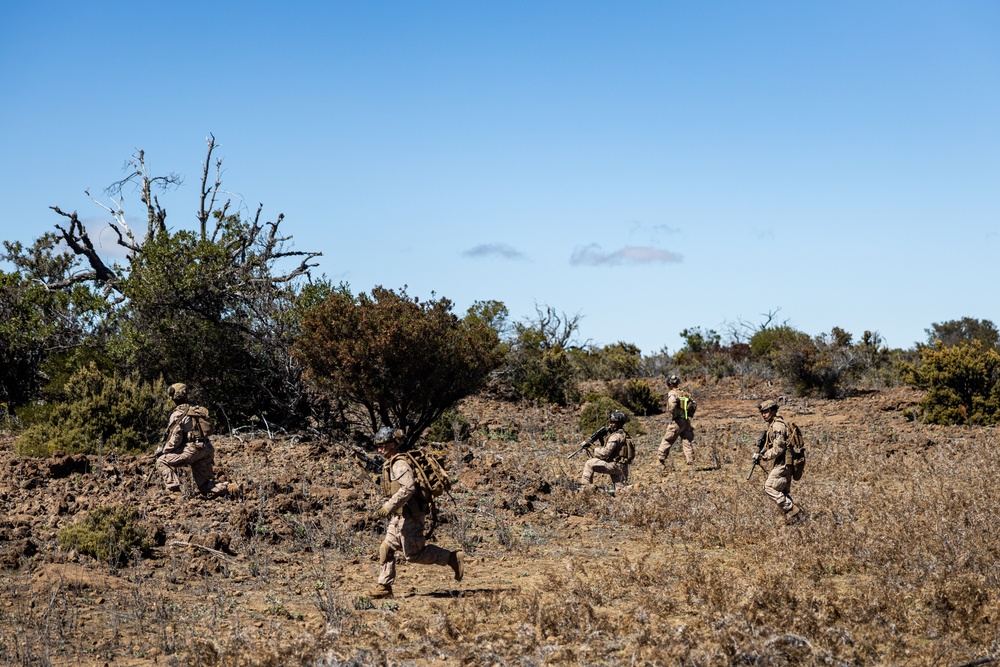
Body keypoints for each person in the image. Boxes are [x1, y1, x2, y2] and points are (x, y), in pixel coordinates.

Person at [370, 427, 464, 599]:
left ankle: (451, 558)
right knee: (386, 548)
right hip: (399, 516)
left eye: (382, 445)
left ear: (392, 444)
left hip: (410, 517)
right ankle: (384, 587)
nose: (379, 449)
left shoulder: (400, 464)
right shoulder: (392, 463)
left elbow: (408, 487)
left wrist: (389, 505)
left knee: (414, 555)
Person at [156, 383, 227, 497]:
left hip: (192, 450)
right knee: (204, 485)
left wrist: (163, 451)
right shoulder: (196, 408)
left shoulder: (178, 414)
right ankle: (226, 488)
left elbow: (175, 440)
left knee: (161, 461)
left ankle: (175, 492)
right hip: (207, 449)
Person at [754, 399, 801, 522]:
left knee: (769, 487)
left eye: (766, 412)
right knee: (781, 490)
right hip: (784, 461)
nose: (764, 415)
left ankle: (791, 509)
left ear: (773, 411)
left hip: (784, 462)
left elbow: (779, 448)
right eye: (762, 412)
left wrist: (764, 456)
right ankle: (795, 518)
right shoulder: (773, 425)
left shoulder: (777, 426)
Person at [579, 411, 633, 491]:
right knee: (621, 491)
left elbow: (604, 453)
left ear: (619, 424)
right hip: (623, 467)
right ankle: (635, 489)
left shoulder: (614, 437)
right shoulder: (625, 435)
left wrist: (592, 447)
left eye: (613, 422)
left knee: (589, 463)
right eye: (610, 422)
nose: (610, 424)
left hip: (615, 466)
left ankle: (586, 489)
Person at [657, 375, 696, 467]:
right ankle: (690, 462)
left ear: (670, 384)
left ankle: (660, 461)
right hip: (686, 421)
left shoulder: (672, 393)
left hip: (677, 421)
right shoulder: (684, 393)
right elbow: (693, 404)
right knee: (687, 441)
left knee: (667, 440)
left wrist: (674, 415)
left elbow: (672, 405)